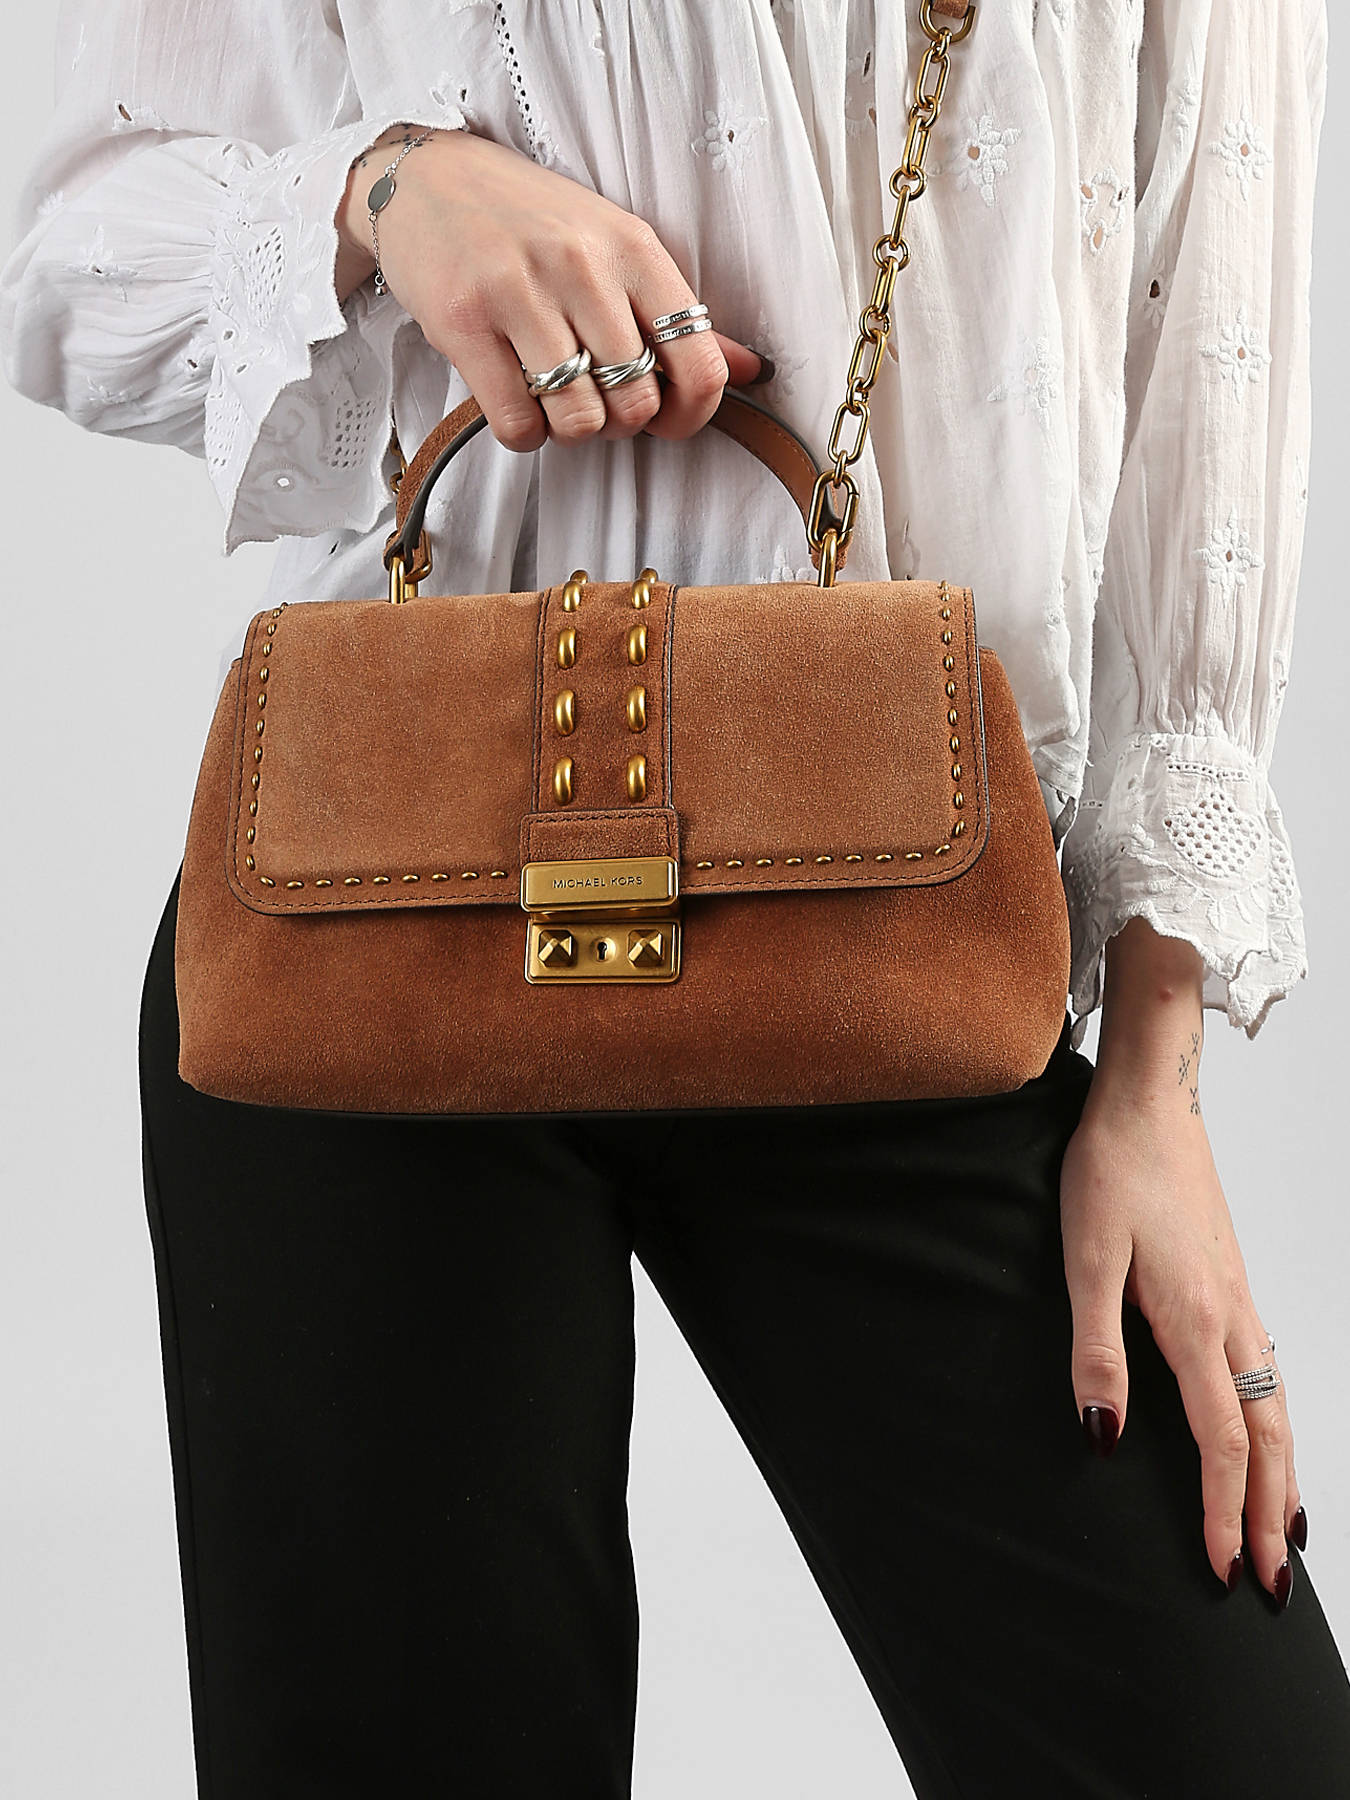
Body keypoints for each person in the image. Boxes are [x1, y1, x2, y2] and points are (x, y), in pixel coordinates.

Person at [3, 2, 1348, 1795]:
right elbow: (66, 260)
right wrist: (391, 189)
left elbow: (1212, 382)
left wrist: (1153, 1086)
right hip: (368, 949)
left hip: (901, 931)